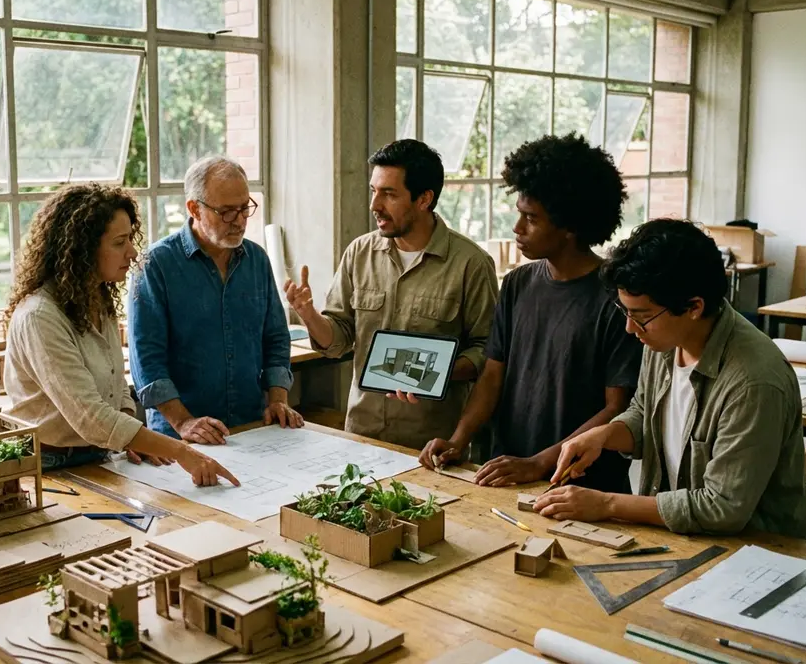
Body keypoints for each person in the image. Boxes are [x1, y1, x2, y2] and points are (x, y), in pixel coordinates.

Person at [537, 219, 806, 538]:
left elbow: (722, 507)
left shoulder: (753, 382)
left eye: (641, 317)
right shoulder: (665, 338)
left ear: (694, 306)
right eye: (625, 313)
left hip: (756, 551)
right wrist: (603, 436)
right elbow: (645, 412)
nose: (630, 329)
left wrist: (608, 504)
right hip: (683, 535)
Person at [419, 133, 642, 492]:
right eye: (519, 213)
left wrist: (539, 463)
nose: (517, 228)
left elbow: (616, 409)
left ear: (570, 226)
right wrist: (458, 439)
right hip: (508, 473)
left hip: (581, 485)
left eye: (531, 218)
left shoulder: (616, 300)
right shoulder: (518, 283)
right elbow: (492, 376)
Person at [3, 183, 239, 487]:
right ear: (82, 250)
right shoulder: (39, 317)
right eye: (119, 242)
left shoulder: (97, 299)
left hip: (97, 456)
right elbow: (91, 417)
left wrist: (133, 440)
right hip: (47, 465)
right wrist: (180, 451)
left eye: (130, 238)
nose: (132, 251)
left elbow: (115, 387)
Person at [284, 139, 498, 449]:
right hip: (362, 433)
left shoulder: (471, 264)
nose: (374, 205)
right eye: (374, 191)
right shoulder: (359, 252)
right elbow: (339, 338)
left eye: (389, 194)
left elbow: (489, 351)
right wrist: (309, 315)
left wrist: (429, 374)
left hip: (431, 443)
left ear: (424, 199)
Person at [129, 156, 301, 444]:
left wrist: (278, 399)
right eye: (226, 212)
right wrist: (183, 422)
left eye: (245, 208)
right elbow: (147, 360)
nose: (240, 221)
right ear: (194, 208)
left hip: (251, 428)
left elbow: (276, 339)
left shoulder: (257, 259)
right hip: (181, 439)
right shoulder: (156, 264)